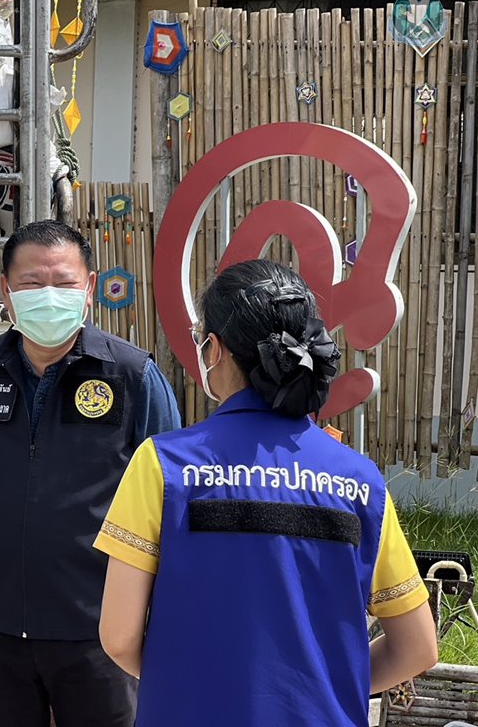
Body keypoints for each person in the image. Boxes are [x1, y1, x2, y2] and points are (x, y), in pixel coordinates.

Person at [97, 259, 438, 727]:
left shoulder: (163, 466)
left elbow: (118, 637)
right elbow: (418, 647)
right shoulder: (360, 481)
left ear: (214, 350)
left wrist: (188, 684)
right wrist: (327, 687)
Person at [0, 220, 181, 727]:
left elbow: (167, 491)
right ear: (6, 291)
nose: (49, 296)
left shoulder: (131, 375)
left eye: (64, 283)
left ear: (89, 288)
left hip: (99, 630)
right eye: (31, 283)